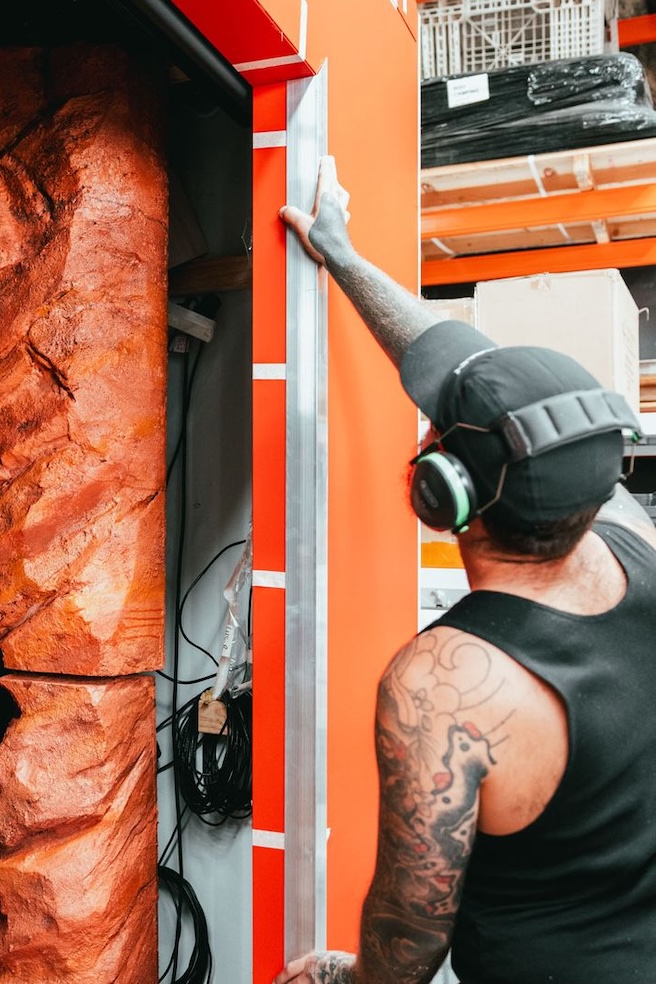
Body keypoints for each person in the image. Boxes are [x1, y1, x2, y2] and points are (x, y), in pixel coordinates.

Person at [273, 159, 656, 984]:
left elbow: (408, 944)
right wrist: (343, 256)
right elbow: (470, 367)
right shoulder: (633, 536)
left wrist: (342, 977)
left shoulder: (444, 685)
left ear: (439, 490)